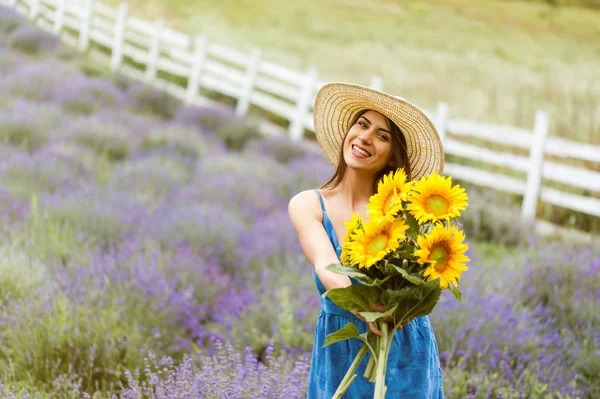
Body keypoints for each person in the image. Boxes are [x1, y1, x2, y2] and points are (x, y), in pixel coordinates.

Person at [288, 83, 445, 398]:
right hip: (342, 344)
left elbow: (414, 282)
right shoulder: (307, 204)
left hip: (399, 345)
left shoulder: (401, 213)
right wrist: (368, 310)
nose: (365, 137)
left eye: (382, 136)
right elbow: (327, 266)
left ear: (392, 157)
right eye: (362, 124)